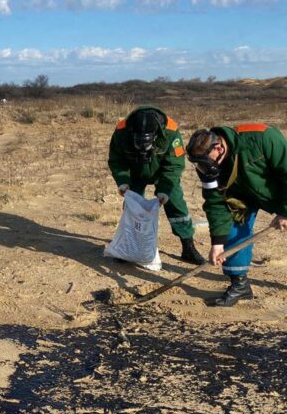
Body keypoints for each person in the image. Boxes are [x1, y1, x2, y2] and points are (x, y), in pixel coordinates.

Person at [186, 124, 287, 307]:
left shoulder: (263, 138)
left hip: (280, 191)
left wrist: (285, 212)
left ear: (218, 147)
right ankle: (240, 286)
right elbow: (215, 203)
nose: (203, 167)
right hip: (243, 196)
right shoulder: (208, 168)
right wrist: (217, 243)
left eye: (205, 161)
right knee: (232, 228)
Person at [107, 106, 206, 264]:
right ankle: (130, 248)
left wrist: (165, 190)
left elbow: (174, 165)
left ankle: (188, 247)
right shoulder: (121, 131)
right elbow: (116, 160)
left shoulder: (171, 132)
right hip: (135, 172)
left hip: (163, 173)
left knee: (176, 203)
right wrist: (123, 182)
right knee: (133, 206)